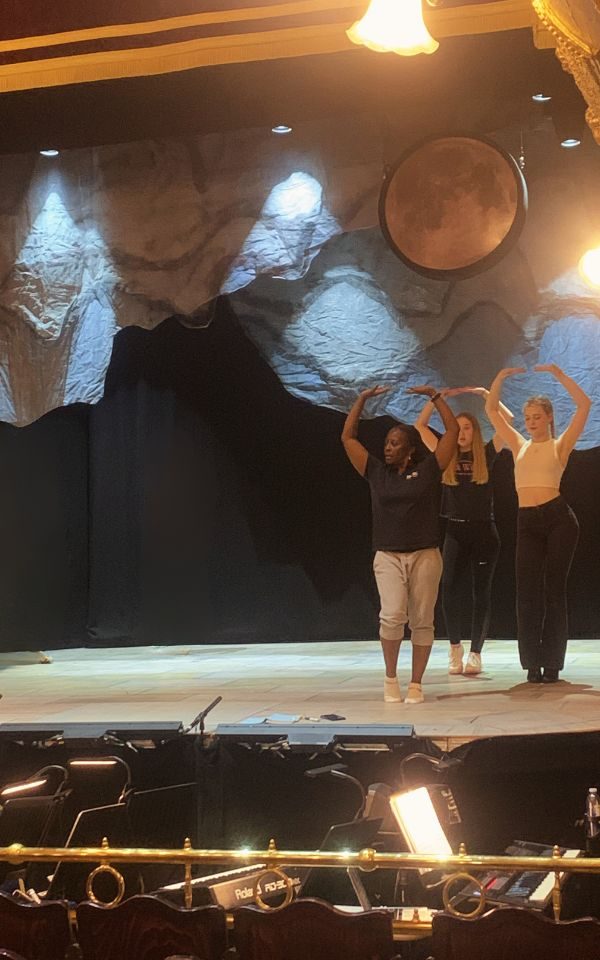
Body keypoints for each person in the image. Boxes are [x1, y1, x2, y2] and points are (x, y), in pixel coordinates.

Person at [341, 384, 458, 704]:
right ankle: (390, 678)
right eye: (386, 443)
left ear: (410, 449)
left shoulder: (428, 471)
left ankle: (416, 685)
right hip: (388, 556)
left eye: (394, 443)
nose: (387, 448)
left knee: (423, 621)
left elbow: (452, 432)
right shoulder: (376, 472)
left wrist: (435, 398)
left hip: (425, 554)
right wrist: (361, 400)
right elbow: (348, 438)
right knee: (392, 615)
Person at [485, 364, 591, 683]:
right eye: (527, 417)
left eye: (536, 417)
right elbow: (491, 409)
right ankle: (532, 662)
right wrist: (500, 378)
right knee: (527, 593)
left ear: (548, 418)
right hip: (527, 522)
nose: (530, 422)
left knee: (553, 592)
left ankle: (553, 663)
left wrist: (560, 375)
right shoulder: (519, 444)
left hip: (558, 520)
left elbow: (584, 405)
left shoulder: (560, 445)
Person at [415, 387, 514, 677]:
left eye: (467, 427)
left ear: (475, 432)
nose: (461, 432)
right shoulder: (445, 454)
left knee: (480, 593)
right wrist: (437, 401)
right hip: (455, 533)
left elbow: (507, 424)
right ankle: (455, 648)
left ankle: (476, 653)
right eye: (457, 427)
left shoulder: (487, 453)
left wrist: (487, 395)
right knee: (448, 590)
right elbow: (420, 426)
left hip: (484, 533)